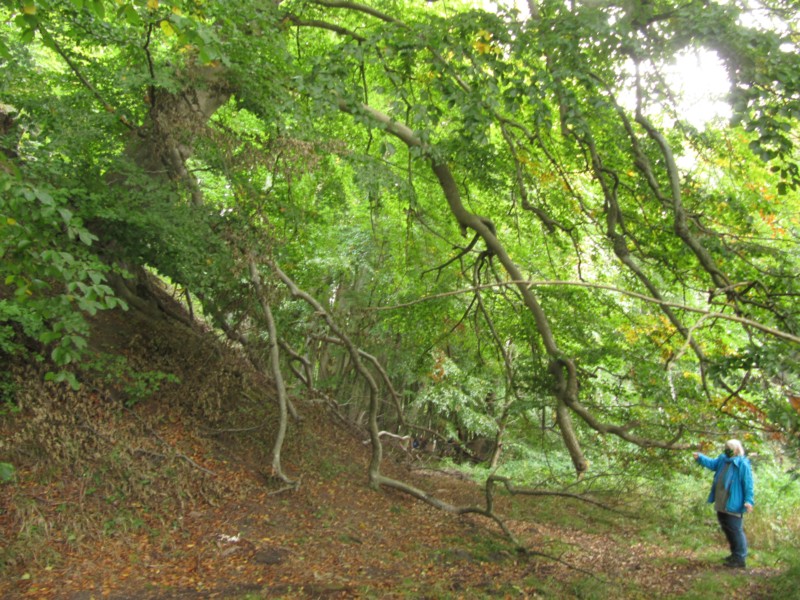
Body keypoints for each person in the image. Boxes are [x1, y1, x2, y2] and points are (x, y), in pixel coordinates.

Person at [693, 439, 755, 569]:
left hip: (734, 503)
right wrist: (700, 458)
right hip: (722, 501)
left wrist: (748, 501)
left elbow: (748, 484)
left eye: (729, 448)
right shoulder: (723, 459)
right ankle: (734, 555)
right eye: (726, 447)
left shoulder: (742, 464)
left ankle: (740, 558)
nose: (727, 450)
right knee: (727, 528)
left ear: (737, 450)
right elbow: (712, 464)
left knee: (735, 530)